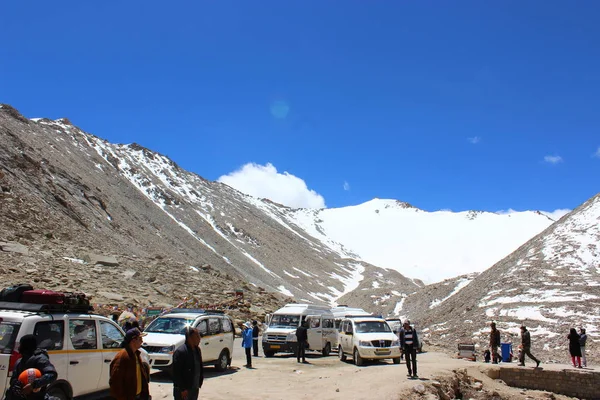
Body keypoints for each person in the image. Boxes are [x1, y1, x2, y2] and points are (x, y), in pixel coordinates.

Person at [5, 334, 58, 400]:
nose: (19, 347)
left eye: (21, 345)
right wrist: (17, 386)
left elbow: (52, 374)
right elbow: (13, 380)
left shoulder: (40, 359)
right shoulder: (19, 361)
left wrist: (33, 385)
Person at [109, 328, 150, 400]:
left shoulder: (136, 354)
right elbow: (116, 382)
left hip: (137, 396)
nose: (142, 341)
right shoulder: (122, 357)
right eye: (139, 338)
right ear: (133, 340)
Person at [172, 327, 204, 400]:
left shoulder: (197, 350)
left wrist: (199, 382)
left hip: (194, 387)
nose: (199, 338)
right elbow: (176, 373)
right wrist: (182, 389)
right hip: (183, 390)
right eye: (197, 336)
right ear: (190, 338)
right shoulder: (181, 352)